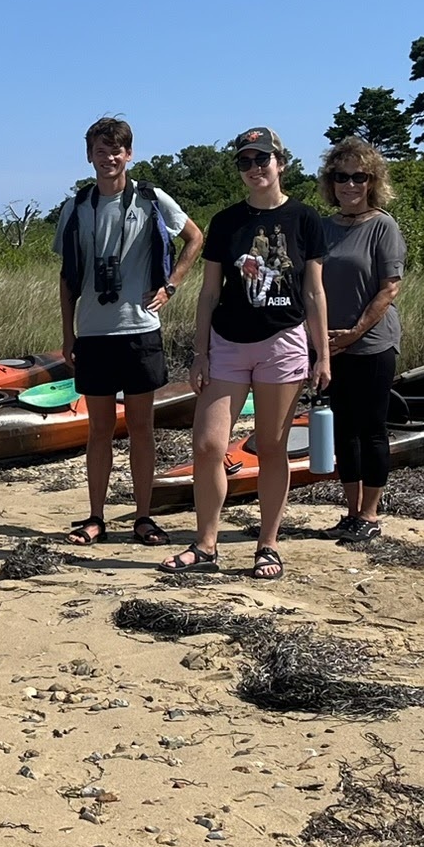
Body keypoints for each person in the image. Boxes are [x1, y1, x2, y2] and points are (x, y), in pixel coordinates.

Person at [163, 127, 329, 581]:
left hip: (284, 343)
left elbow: (313, 292)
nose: (255, 168)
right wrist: (200, 352)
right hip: (228, 344)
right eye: (245, 162)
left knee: (272, 446)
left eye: (263, 159)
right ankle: (206, 544)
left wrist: (323, 355)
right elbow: (209, 292)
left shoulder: (305, 218)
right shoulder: (226, 222)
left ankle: (268, 544)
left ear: (281, 163)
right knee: (209, 444)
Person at [54, 115, 203, 549]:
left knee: (141, 427)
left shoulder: (152, 198)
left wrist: (171, 286)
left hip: (140, 329)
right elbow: (66, 278)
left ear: (129, 153)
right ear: (89, 156)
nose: (109, 158)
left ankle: (143, 517)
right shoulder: (77, 206)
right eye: (101, 151)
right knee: (98, 429)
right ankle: (96, 516)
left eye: (116, 150)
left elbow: (195, 237)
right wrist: (69, 334)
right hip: (94, 333)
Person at [319, 136, 405, 541]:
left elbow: (389, 287)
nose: (350, 185)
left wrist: (355, 332)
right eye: (341, 177)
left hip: (372, 344)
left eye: (358, 177)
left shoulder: (382, 225)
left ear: (372, 181)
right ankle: (350, 510)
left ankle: (370, 515)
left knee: (371, 429)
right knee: (343, 430)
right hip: (331, 347)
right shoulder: (323, 227)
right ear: (331, 182)